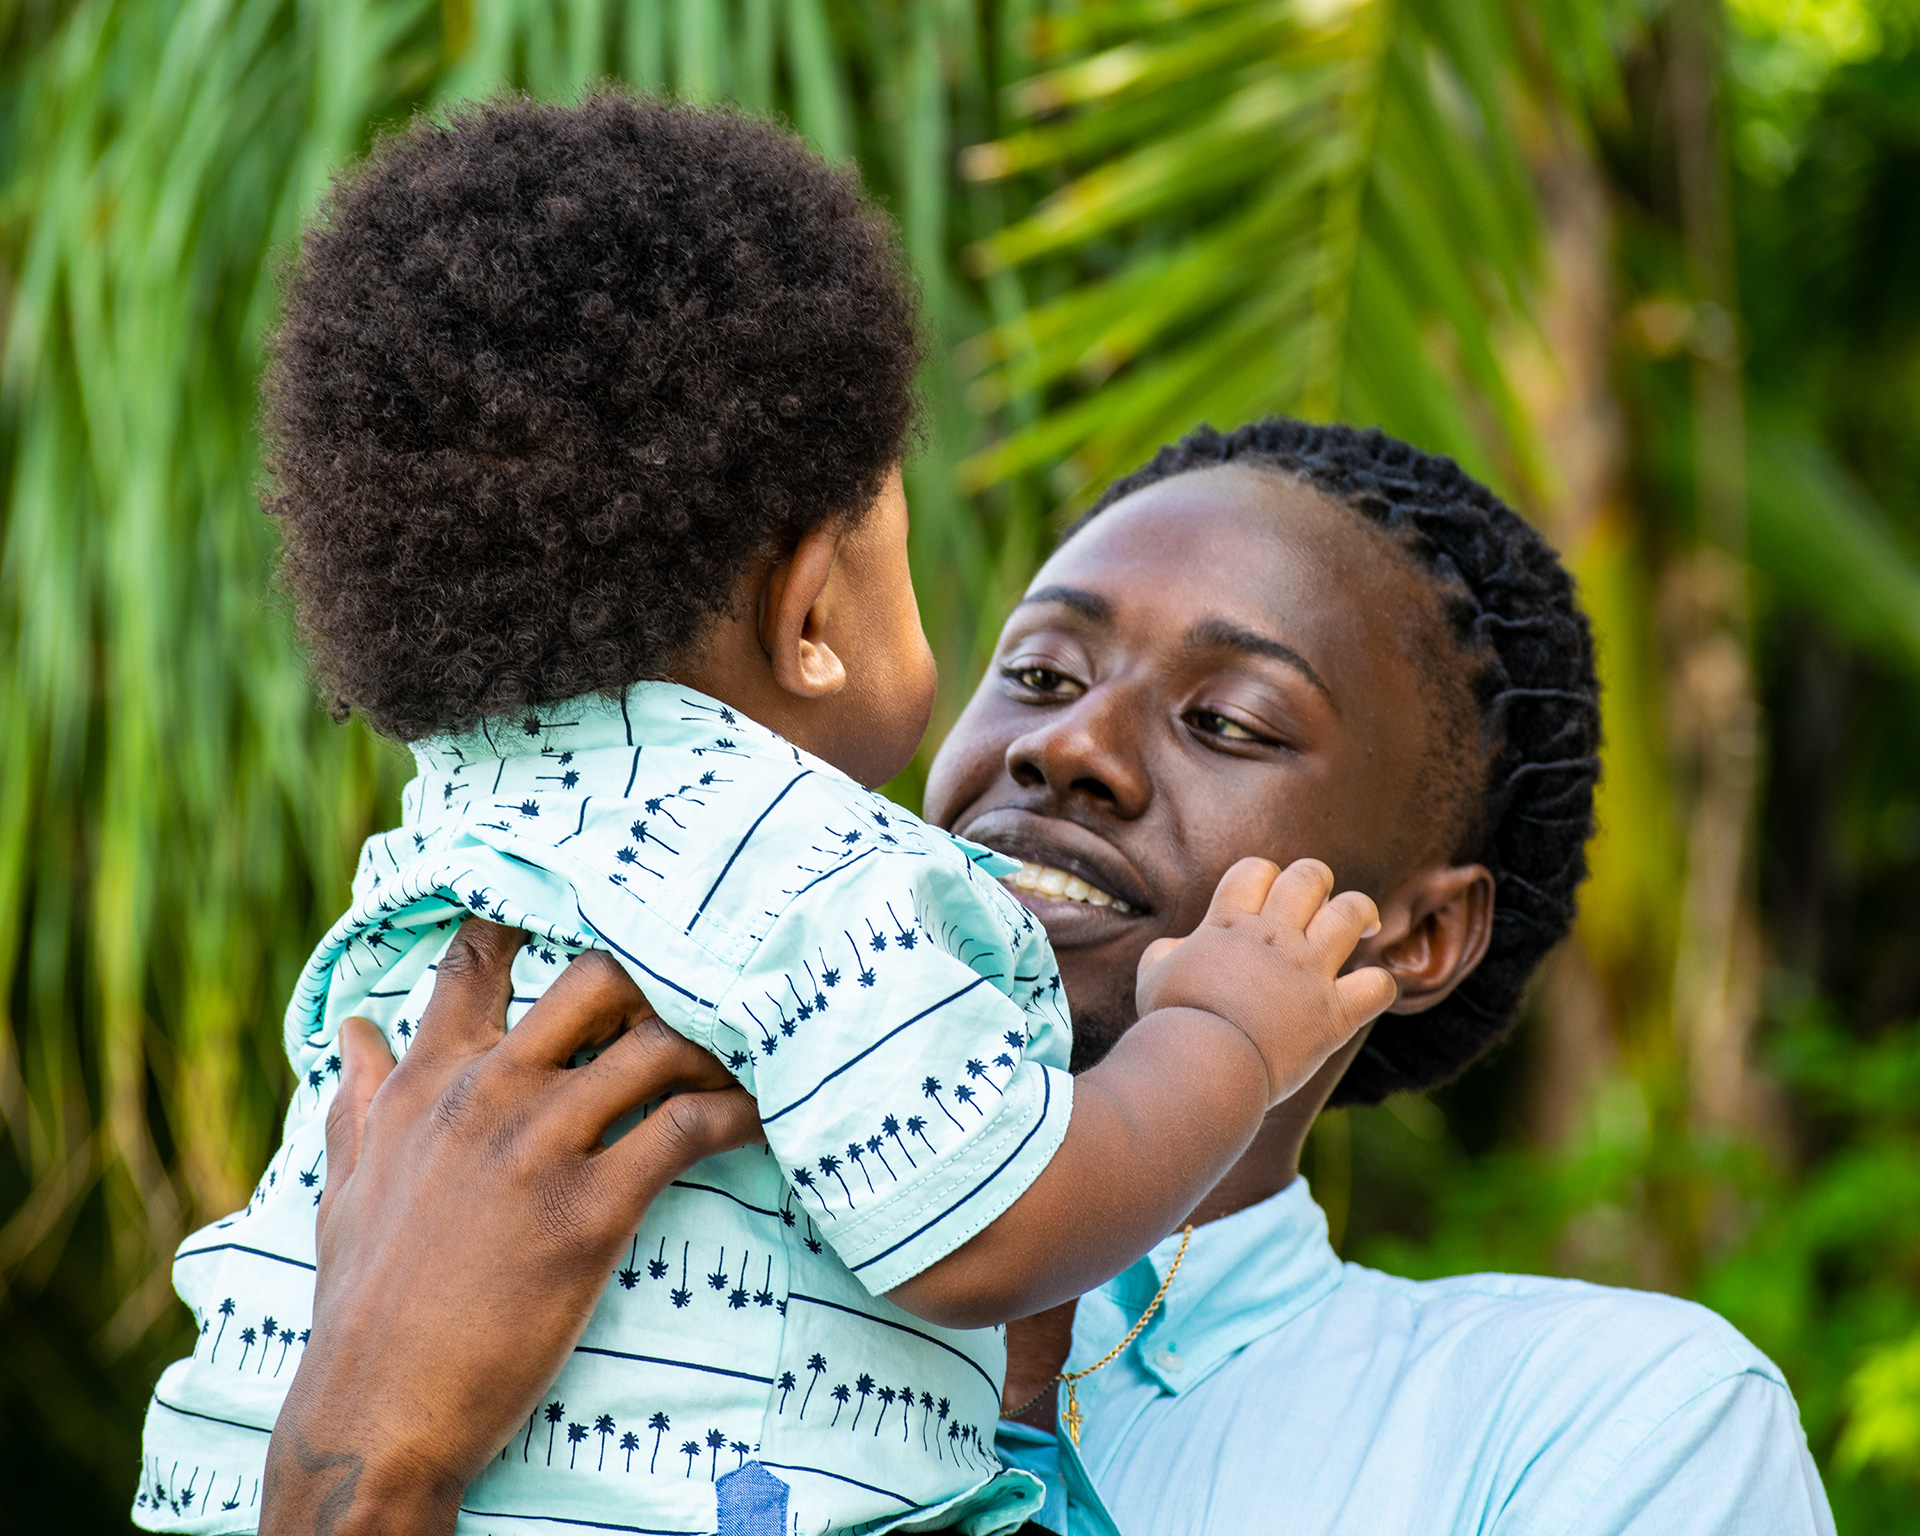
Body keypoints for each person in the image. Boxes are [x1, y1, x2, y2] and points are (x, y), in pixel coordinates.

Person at [137, 100, 1393, 1536]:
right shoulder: (810, 872)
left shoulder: (442, 850)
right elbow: (988, 1235)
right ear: (807, 614)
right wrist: (1227, 1032)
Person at [258, 420, 1835, 1535]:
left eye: (1228, 722)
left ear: (1413, 938)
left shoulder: (1603, 1426)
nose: (1069, 745)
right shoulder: (529, 1255)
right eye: (1039, 672)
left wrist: (371, 1461)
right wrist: (357, 1442)